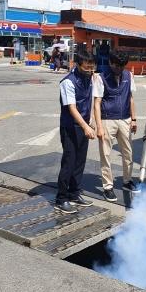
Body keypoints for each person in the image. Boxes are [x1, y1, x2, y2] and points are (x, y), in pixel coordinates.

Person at [93, 51, 139, 202]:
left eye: (122, 66)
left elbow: (130, 98)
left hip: (125, 119)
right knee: (105, 154)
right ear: (110, 63)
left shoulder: (129, 76)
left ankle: (127, 181)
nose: (119, 68)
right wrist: (99, 126)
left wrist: (133, 119)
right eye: (116, 65)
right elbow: (97, 103)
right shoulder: (100, 77)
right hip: (107, 120)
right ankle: (108, 187)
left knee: (128, 153)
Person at [55, 51, 96, 214]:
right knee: (69, 162)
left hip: (84, 124)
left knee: (80, 162)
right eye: (87, 67)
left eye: (92, 67)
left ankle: (74, 192)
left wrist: (91, 119)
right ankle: (61, 198)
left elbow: (90, 99)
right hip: (70, 126)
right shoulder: (68, 82)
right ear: (77, 65)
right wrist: (85, 127)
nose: (90, 70)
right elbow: (71, 108)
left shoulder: (89, 78)